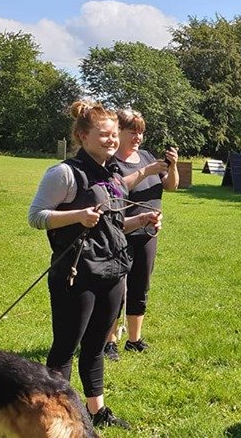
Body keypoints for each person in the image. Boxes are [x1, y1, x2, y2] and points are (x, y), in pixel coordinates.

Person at [27, 100, 161, 429]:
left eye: (114, 134)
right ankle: (56, 417)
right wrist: (78, 215)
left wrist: (141, 220)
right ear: (82, 136)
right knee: (65, 348)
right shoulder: (64, 173)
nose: (111, 140)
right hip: (77, 274)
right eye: (104, 135)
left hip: (113, 271)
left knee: (96, 346)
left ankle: (96, 411)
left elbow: (111, 225)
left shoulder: (114, 174)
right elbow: (36, 216)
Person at [102, 108, 178, 360]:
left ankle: (134, 340)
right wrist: (146, 171)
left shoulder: (146, 156)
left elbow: (171, 185)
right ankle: (109, 342)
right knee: (115, 288)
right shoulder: (111, 162)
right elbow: (116, 190)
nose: (138, 137)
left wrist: (172, 167)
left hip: (148, 233)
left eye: (141, 132)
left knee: (140, 285)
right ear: (119, 132)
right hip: (119, 233)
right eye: (132, 132)